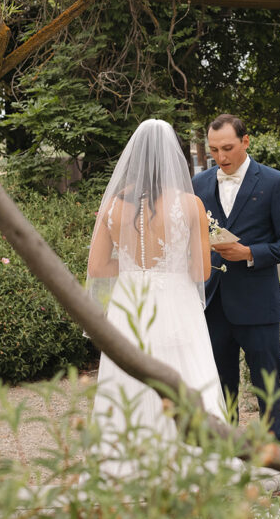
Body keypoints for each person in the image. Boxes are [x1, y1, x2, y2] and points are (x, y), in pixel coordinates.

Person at [85, 119, 226, 471]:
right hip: (176, 302)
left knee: (128, 378)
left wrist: (134, 268)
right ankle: (191, 462)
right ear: (174, 156)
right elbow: (201, 272)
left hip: (129, 302)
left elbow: (99, 266)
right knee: (186, 374)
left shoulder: (114, 206)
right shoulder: (191, 204)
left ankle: (125, 464)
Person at [192, 114, 280, 443]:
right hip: (212, 304)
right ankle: (228, 457)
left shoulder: (274, 182)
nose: (221, 157)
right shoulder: (199, 185)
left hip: (258, 305)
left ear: (245, 141)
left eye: (227, 148)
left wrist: (250, 253)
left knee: (267, 388)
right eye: (214, 150)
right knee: (219, 390)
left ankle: (276, 462)